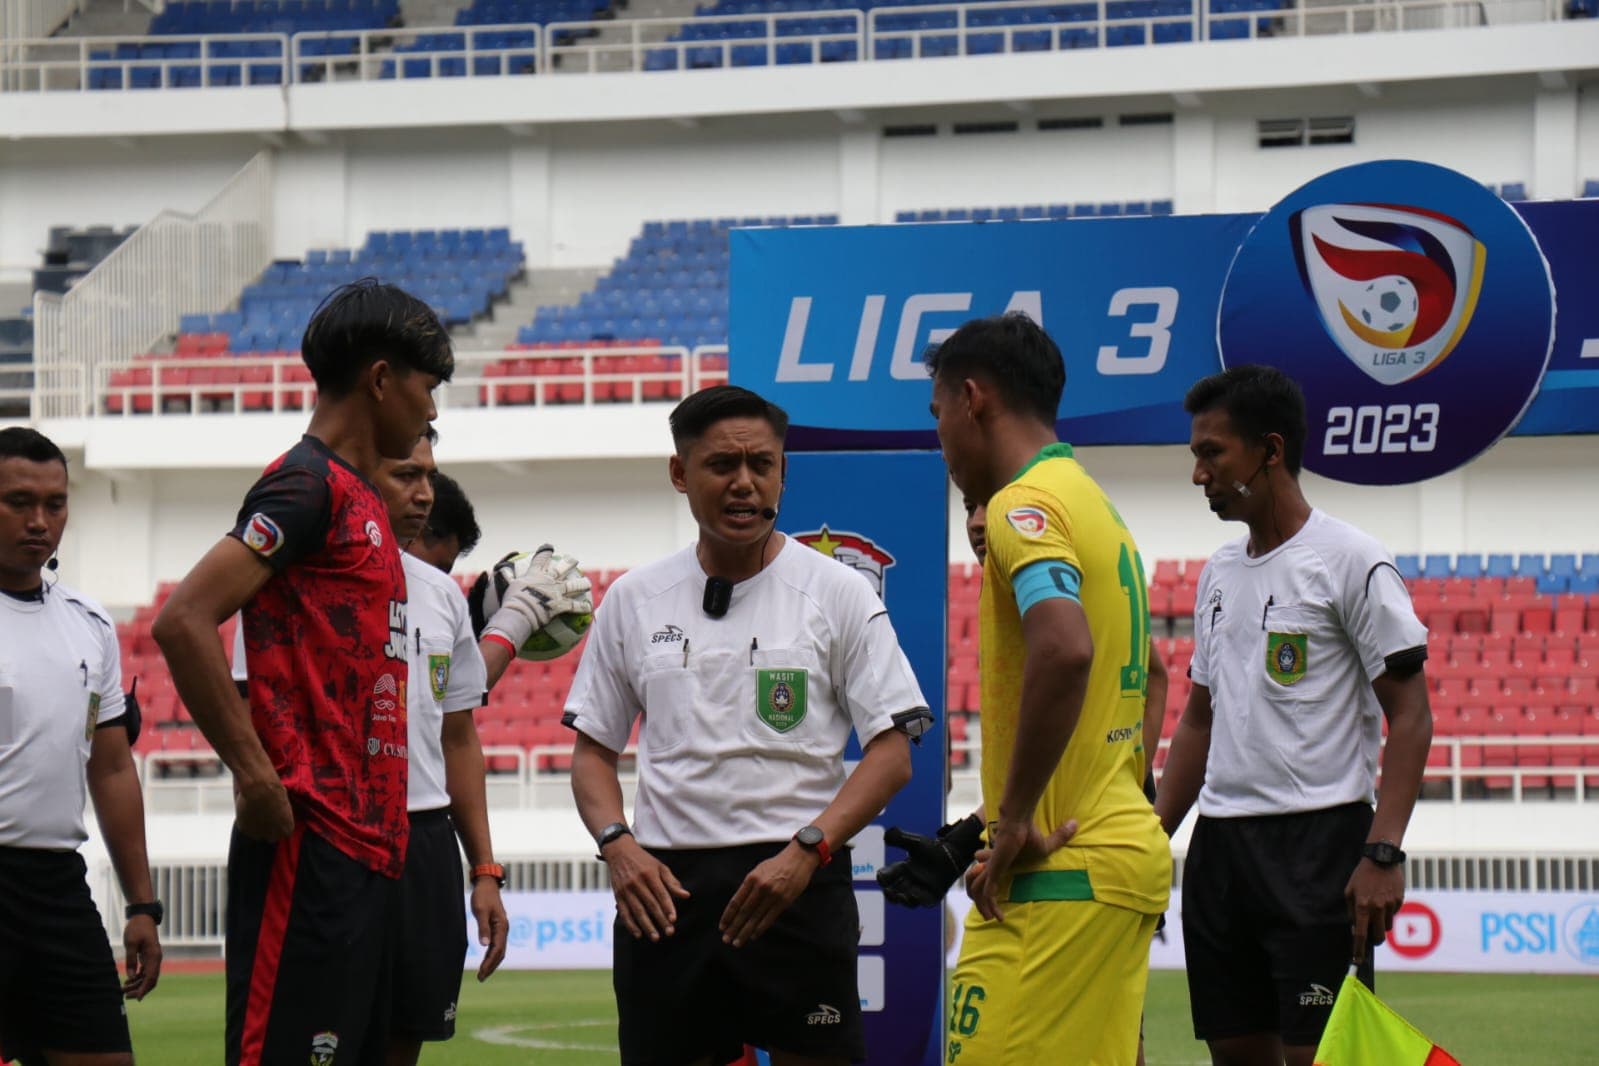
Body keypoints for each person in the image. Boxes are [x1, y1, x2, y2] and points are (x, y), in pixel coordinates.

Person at [564, 384, 931, 1066]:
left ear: (782, 474)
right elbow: (592, 754)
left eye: (761, 465)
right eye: (721, 465)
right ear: (680, 473)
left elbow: (891, 753)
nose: (744, 483)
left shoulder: (838, 592)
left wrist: (807, 852)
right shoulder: (633, 599)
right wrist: (617, 844)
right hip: (665, 890)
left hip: (796, 879)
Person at [153, 280, 453, 1066]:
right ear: (381, 379)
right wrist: (255, 775)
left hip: (368, 844)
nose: (431, 411)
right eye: (427, 388)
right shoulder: (305, 485)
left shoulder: (360, 499)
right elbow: (183, 620)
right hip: (309, 838)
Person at [1154, 365, 1433, 1066]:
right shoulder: (1217, 573)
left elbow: (1410, 715)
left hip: (1319, 847)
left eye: (1212, 453)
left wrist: (1382, 852)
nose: (1198, 474)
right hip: (1220, 850)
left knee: (1321, 1057)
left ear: (1270, 451)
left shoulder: (1351, 561)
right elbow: (1198, 721)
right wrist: (1150, 837)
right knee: (1235, 1055)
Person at [926, 313, 1170, 1066]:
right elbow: (1155, 674)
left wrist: (1015, 818)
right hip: (1116, 852)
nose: (941, 440)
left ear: (973, 398)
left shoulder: (1020, 506)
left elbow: (1064, 651)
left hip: (1057, 865)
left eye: (937, 414)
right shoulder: (1092, 502)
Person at [0, 427, 162, 1066]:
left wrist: (142, 904)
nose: (39, 521)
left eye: (55, 503)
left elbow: (113, 769)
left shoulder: (90, 625)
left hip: (57, 887)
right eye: (18, 502)